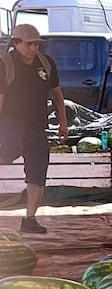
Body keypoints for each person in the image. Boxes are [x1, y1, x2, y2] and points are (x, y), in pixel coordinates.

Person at [0, 24, 68, 235]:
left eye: (37, 44)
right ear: (16, 43)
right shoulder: (4, 64)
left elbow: (57, 95)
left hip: (38, 125)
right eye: (29, 44)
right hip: (11, 121)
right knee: (8, 151)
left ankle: (30, 219)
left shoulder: (46, 64)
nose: (33, 48)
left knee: (38, 173)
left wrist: (63, 122)